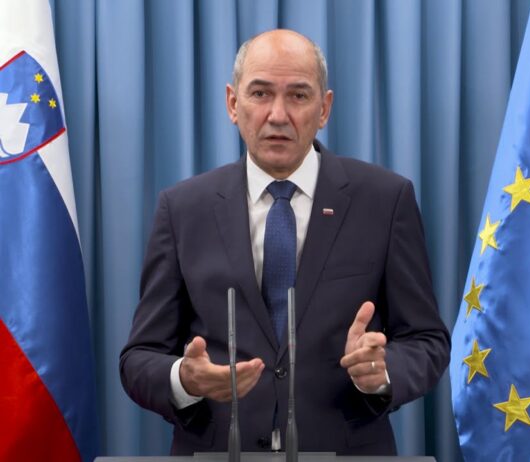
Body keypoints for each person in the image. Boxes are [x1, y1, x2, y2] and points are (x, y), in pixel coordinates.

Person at [120, 29, 450, 455]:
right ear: (233, 104)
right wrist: (184, 379)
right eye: (260, 93)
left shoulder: (386, 200)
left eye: (298, 95)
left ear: (324, 108)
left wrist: (384, 371)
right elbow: (139, 357)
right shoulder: (182, 208)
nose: (278, 115)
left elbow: (427, 340)